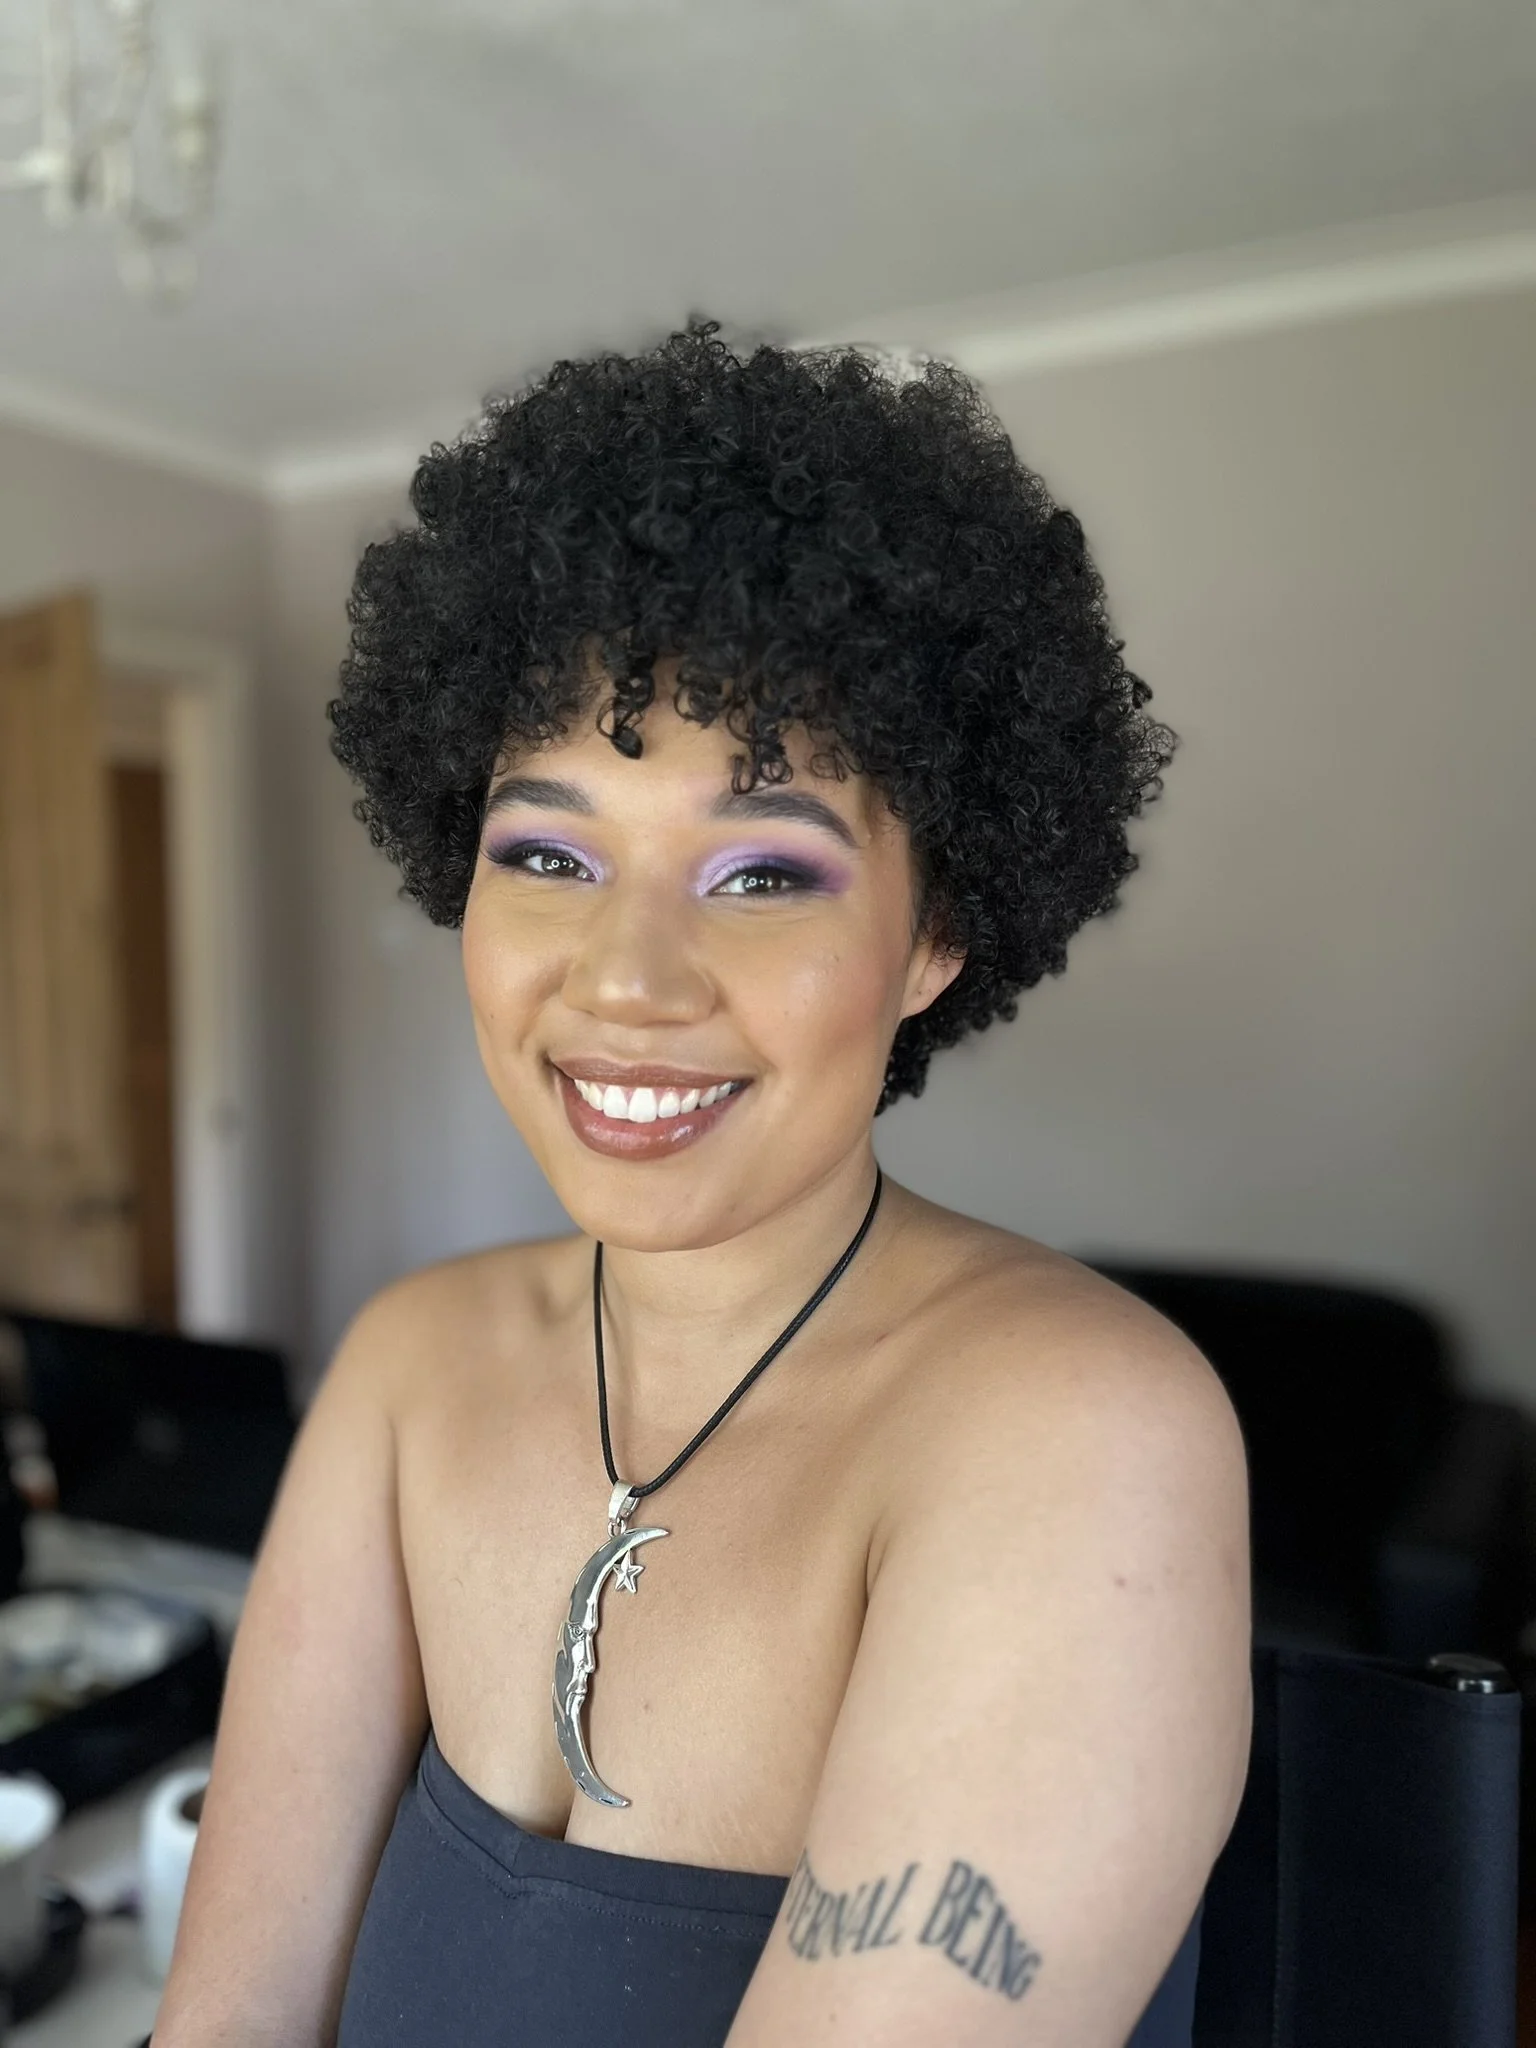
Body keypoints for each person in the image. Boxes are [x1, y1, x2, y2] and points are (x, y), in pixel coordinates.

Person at [150, 318, 1251, 2048]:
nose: (625, 980)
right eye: (547, 852)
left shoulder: (1081, 1435)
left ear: (938, 935)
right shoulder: (408, 1365)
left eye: (760, 875)